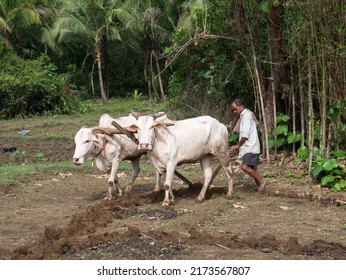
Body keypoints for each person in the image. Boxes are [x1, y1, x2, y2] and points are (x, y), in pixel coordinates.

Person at [229, 98, 266, 191]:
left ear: (241, 106)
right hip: (251, 145)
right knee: (254, 168)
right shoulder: (248, 114)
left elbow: (245, 135)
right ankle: (260, 186)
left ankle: (262, 181)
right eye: (233, 110)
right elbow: (256, 124)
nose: (234, 111)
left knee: (244, 167)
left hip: (250, 146)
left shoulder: (246, 116)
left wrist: (237, 145)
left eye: (235, 109)